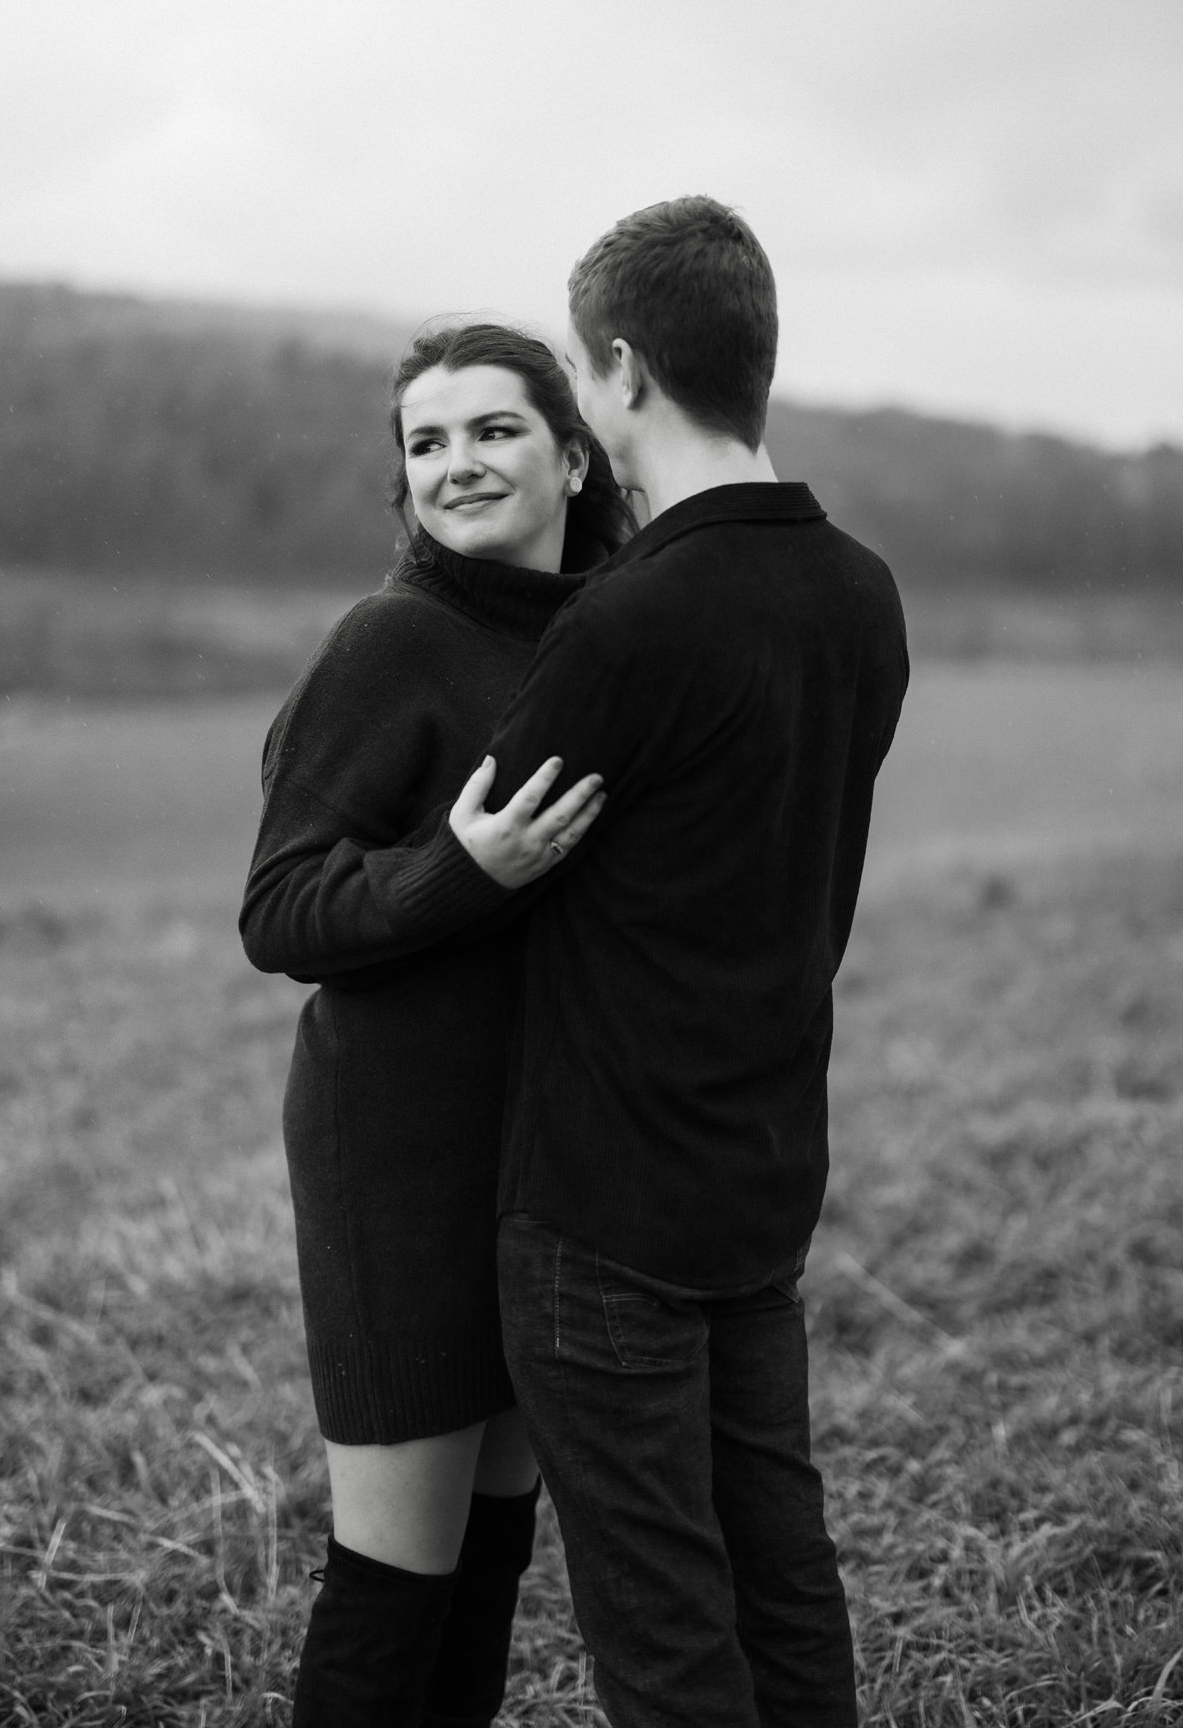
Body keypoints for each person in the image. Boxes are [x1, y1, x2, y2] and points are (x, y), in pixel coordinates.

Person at [421, 197, 911, 1726]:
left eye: (580, 370)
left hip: (604, 1207)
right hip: (763, 1179)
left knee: (665, 1631)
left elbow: (489, 858)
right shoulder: (862, 591)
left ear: (624, 371)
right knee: (784, 1582)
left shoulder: (629, 620)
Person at [238, 322, 628, 1726]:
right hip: (398, 1161)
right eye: (425, 442)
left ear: (574, 457)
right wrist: (460, 869)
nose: (455, 463)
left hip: (542, 1156)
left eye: (493, 429)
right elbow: (280, 908)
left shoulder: (606, 637)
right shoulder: (393, 640)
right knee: (394, 1577)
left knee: (491, 1553)